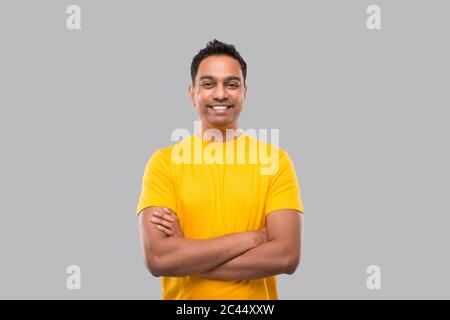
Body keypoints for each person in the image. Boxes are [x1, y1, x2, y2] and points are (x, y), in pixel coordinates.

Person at [136, 39, 304, 300]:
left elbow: (286, 256)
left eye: (232, 84)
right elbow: (159, 258)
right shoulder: (164, 163)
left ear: (245, 92)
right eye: (208, 83)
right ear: (192, 93)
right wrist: (254, 238)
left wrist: (187, 255)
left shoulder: (275, 161)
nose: (221, 93)